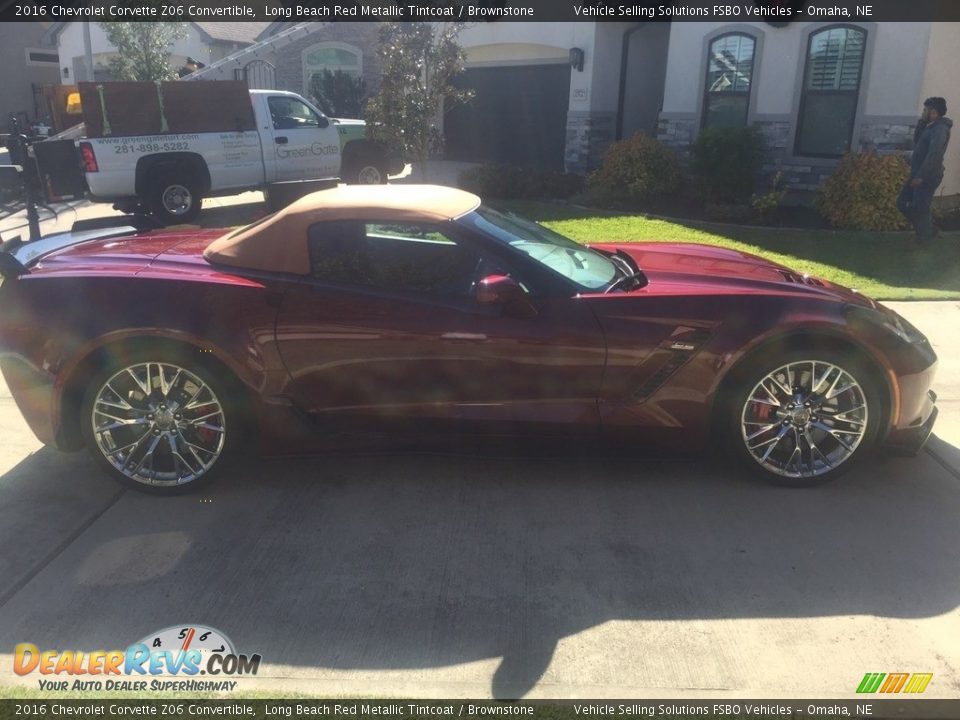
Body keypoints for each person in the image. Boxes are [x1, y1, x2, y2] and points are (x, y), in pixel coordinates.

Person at [897, 97, 952, 245]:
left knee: (920, 207)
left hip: (928, 175)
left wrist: (921, 176)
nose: (923, 112)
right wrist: (922, 122)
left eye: (926, 109)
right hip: (918, 173)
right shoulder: (930, 127)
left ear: (934, 112)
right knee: (902, 202)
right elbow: (917, 140)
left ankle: (924, 239)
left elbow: (934, 154)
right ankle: (928, 230)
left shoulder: (940, 129)